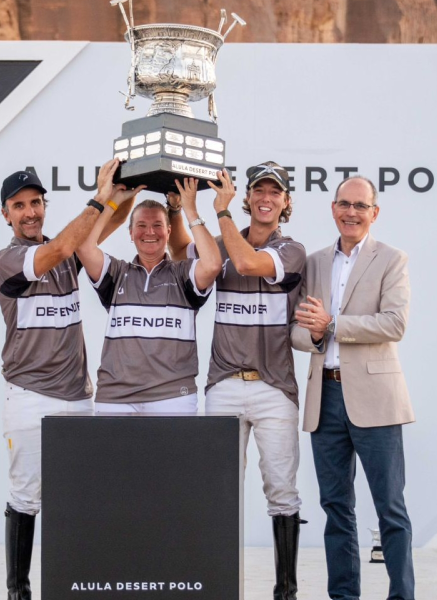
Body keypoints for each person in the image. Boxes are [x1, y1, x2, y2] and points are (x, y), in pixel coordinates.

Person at [0, 160, 140, 600]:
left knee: (77, 498)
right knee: (25, 498)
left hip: (77, 396)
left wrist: (124, 193)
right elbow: (58, 250)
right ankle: (18, 591)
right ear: (6, 214)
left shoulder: (67, 251)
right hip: (29, 396)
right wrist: (99, 196)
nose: (30, 212)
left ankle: (74, 587)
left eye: (36, 203)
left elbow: (106, 224)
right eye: (19, 206)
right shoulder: (8, 260)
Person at [168, 162, 307, 600]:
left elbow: (246, 263)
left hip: (274, 388)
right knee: (218, 491)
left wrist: (220, 211)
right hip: (225, 385)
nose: (266, 198)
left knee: (282, 491)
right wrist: (179, 209)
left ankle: (285, 591)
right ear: (248, 197)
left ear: (285, 202)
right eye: (259, 190)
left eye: (275, 192)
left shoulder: (291, 249)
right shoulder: (221, 242)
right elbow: (181, 254)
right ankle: (218, 586)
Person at [292, 176, 415, 600]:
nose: (351, 212)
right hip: (324, 399)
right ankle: (344, 596)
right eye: (344, 204)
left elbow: (394, 324)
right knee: (336, 508)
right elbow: (296, 331)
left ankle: (402, 595)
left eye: (361, 206)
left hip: (376, 400)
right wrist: (314, 333)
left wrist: (331, 325)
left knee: (390, 508)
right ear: (333, 209)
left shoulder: (392, 259)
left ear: (374, 213)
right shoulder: (313, 263)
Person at [75, 180, 222, 412]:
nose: (150, 232)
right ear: (131, 233)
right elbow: (83, 246)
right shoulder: (117, 272)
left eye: (157, 225)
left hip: (173, 396)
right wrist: (113, 202)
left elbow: (212, 264)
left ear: (169, 231)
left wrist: (189, 208)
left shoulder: (183, 273)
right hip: (116, 396)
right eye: (141, 225)